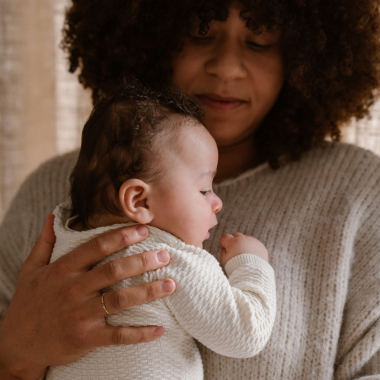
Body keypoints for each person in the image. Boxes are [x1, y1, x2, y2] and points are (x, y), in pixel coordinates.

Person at [1, 1, 380, 379]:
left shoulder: (362, 191)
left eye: (260, 41)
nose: (227, 67)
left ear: (301, 54)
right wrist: (14, 353)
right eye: (201, 34)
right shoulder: (52, 193)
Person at [46, 82, 275, 379]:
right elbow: (246, 335)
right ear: (139, 200)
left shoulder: (61, 242)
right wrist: (252, 264)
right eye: (204, 189)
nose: (217, 202)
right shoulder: (167, 261)